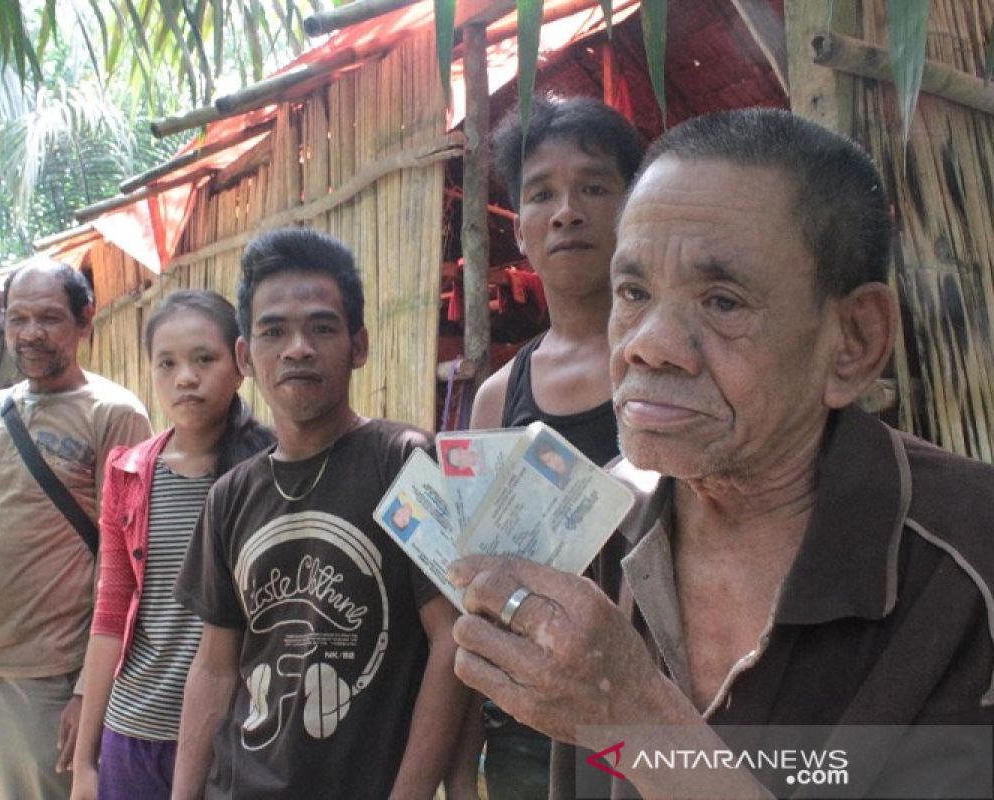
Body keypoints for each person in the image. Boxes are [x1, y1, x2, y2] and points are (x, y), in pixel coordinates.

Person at [450, 107, 994, 799]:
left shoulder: (973, 560)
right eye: (634, 292)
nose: (647, 344)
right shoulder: (608, 522)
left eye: (723, 302)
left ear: (853, 340)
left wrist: (635, 720)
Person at [170, 227, 468, 799]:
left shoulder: (403, 463)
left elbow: (450, 640)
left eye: (321, 327)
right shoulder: (230, 497)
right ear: (245, 355)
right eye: (274, 331)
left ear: (358, 346)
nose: (298, 348)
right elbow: (214, 667)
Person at [450, 96, 645, 800]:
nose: (567, 210)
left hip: (666, 710)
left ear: (635, 206)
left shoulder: (672, 363)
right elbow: (484, 580)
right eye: (541, 194)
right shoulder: (500, 397)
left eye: (594, 186)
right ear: (521, 229)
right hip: (533, 732)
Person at [0, 257, 153, 800]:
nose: (31, 334)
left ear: (85, 320)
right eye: (18, 320)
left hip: (48, 678)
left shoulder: (114, 414)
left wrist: (90, 693)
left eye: (48, 318)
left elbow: (128, 566)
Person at [69, 291, 274, 800]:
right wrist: (83, 762)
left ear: (240, 363)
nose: (186, 377)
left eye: (204, 359)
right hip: (135, 732)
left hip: (236, 736)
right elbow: (110, 614)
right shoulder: (129, 473)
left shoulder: (271, 471)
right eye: (168, 363)